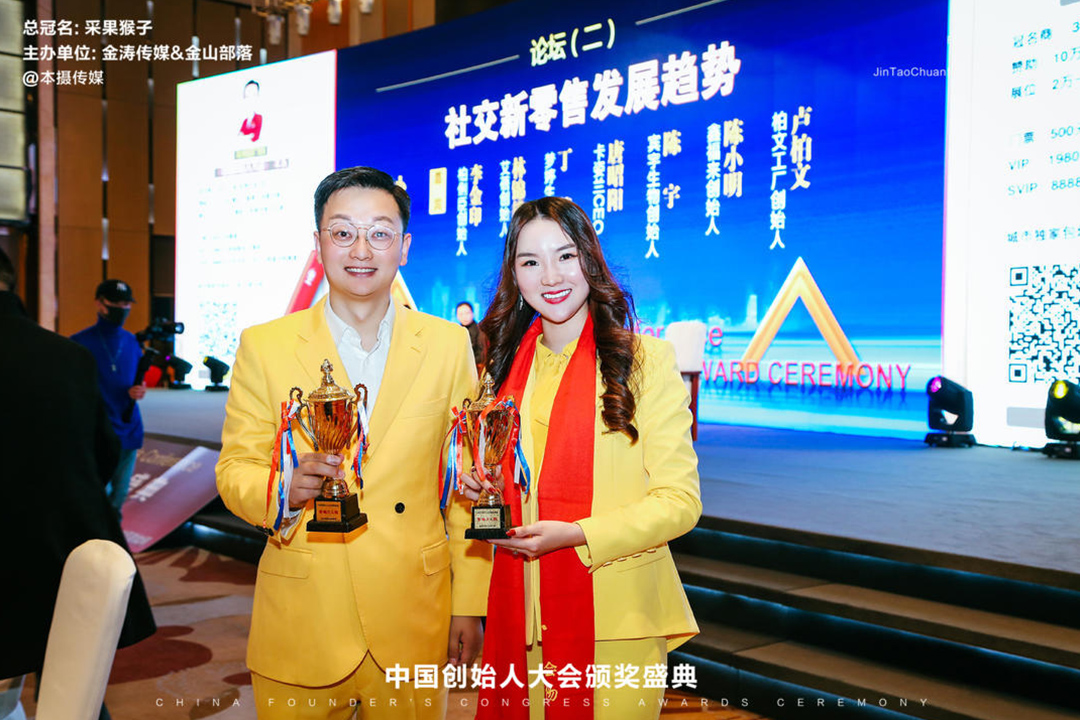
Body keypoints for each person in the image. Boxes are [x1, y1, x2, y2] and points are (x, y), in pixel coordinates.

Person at [216, 166, 491, 720]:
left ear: (404, 247)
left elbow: (466, 484)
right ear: (318, 244)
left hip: (412, 612)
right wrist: (284, 488)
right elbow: (235, 467)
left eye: (380, 233)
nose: (361, 250)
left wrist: (469, 601)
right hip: (304, 614)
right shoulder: (265, 346)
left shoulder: (447, 346)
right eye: (342, 232)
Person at [462, 197, 701, 720]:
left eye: (565, 256)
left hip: (618, 619)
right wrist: (483, 489)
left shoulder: (643, 362)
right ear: (514, 276)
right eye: (530, 261)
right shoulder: (500, 370)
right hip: (519, 618)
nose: (550, 276)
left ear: (589, 259)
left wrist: (578, 534)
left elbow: (680, 503)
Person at [0, 249, 156, 718]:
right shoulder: (70, 354)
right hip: (65, 546)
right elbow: (101, 452)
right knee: (72, 690)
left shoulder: (118, 344)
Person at [71, 279, 147, 521]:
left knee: (119, 498)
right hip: (96, 432)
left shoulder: (132, 342)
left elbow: (136, 380)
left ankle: (112, 541)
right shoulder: (79, 344)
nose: (122, 308)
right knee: (96, 497)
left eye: (126, 303)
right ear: (100, 303)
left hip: (129, 427)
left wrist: (140, 389)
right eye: (116, 303)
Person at [455, 300, 487, 372]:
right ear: (457, 316)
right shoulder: (456, 332)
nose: (464, 317)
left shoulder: (481, 331)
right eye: (461, 314)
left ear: (473, 313)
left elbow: (482, 354)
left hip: (477, 368)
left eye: (467, 313)